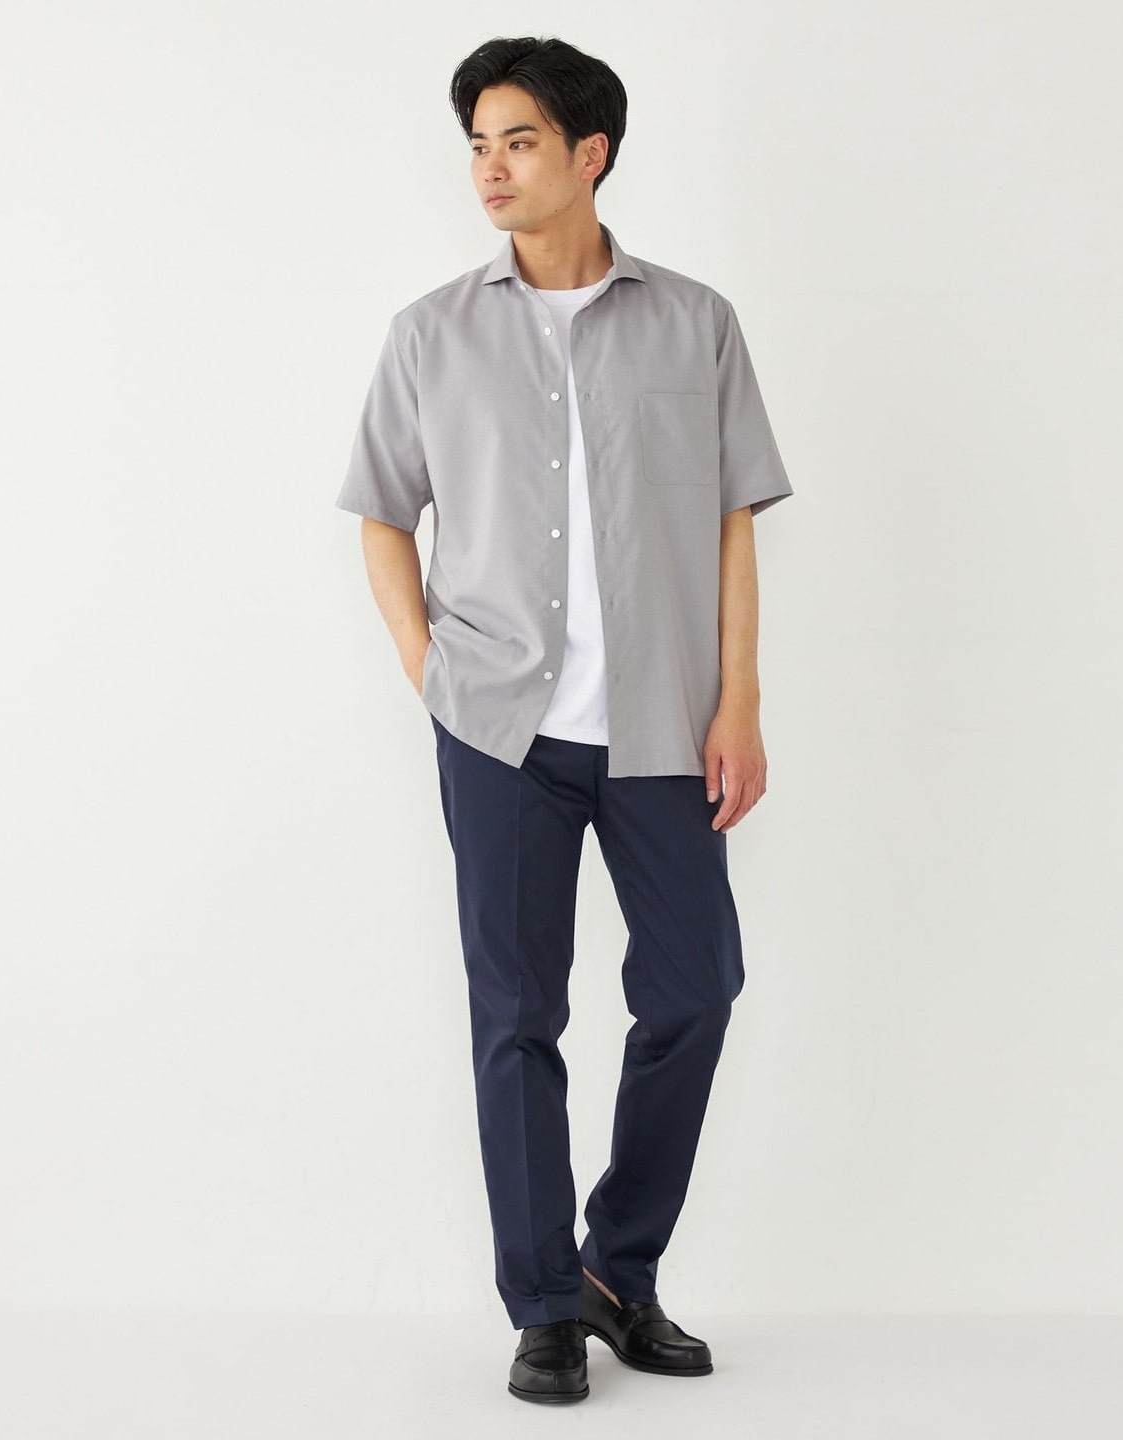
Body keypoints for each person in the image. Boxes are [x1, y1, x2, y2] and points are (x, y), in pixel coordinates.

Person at [334, 35, 794, 1405]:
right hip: (499, 732)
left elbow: (734, 519)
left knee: (695, 990)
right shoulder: (430, 333)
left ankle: (618, 1269)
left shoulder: (696, 322)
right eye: (478, 142)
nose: (489, 166)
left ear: (590, 154)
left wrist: (741, 700)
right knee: (517, 1013)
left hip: (663, 725)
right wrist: (429, 667)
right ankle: (542, 1303)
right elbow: (381, 511)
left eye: (519, 140)